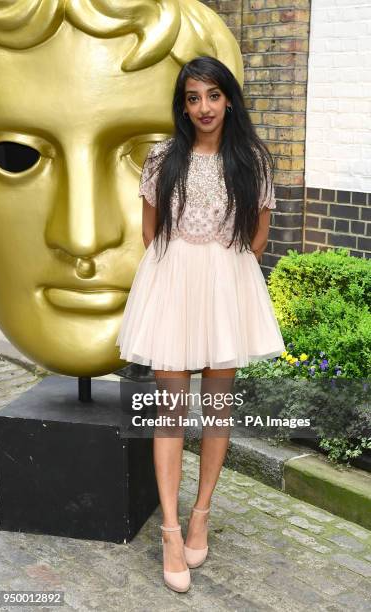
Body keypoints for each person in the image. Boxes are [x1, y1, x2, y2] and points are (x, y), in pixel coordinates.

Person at [115, 55, 285, 593]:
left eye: (213, 95)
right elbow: (150, 231)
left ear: (228, 99)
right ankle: (169, 528)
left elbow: (257, 239)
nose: (204, 107)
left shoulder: (251, 159)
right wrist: (184, 273)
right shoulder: (163, 156)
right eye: (193, 98)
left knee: (216, 407)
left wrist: (221, 274)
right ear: (182, 105)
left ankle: (201, 512)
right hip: (173, 282)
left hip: (226, 287)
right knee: (169, 409)